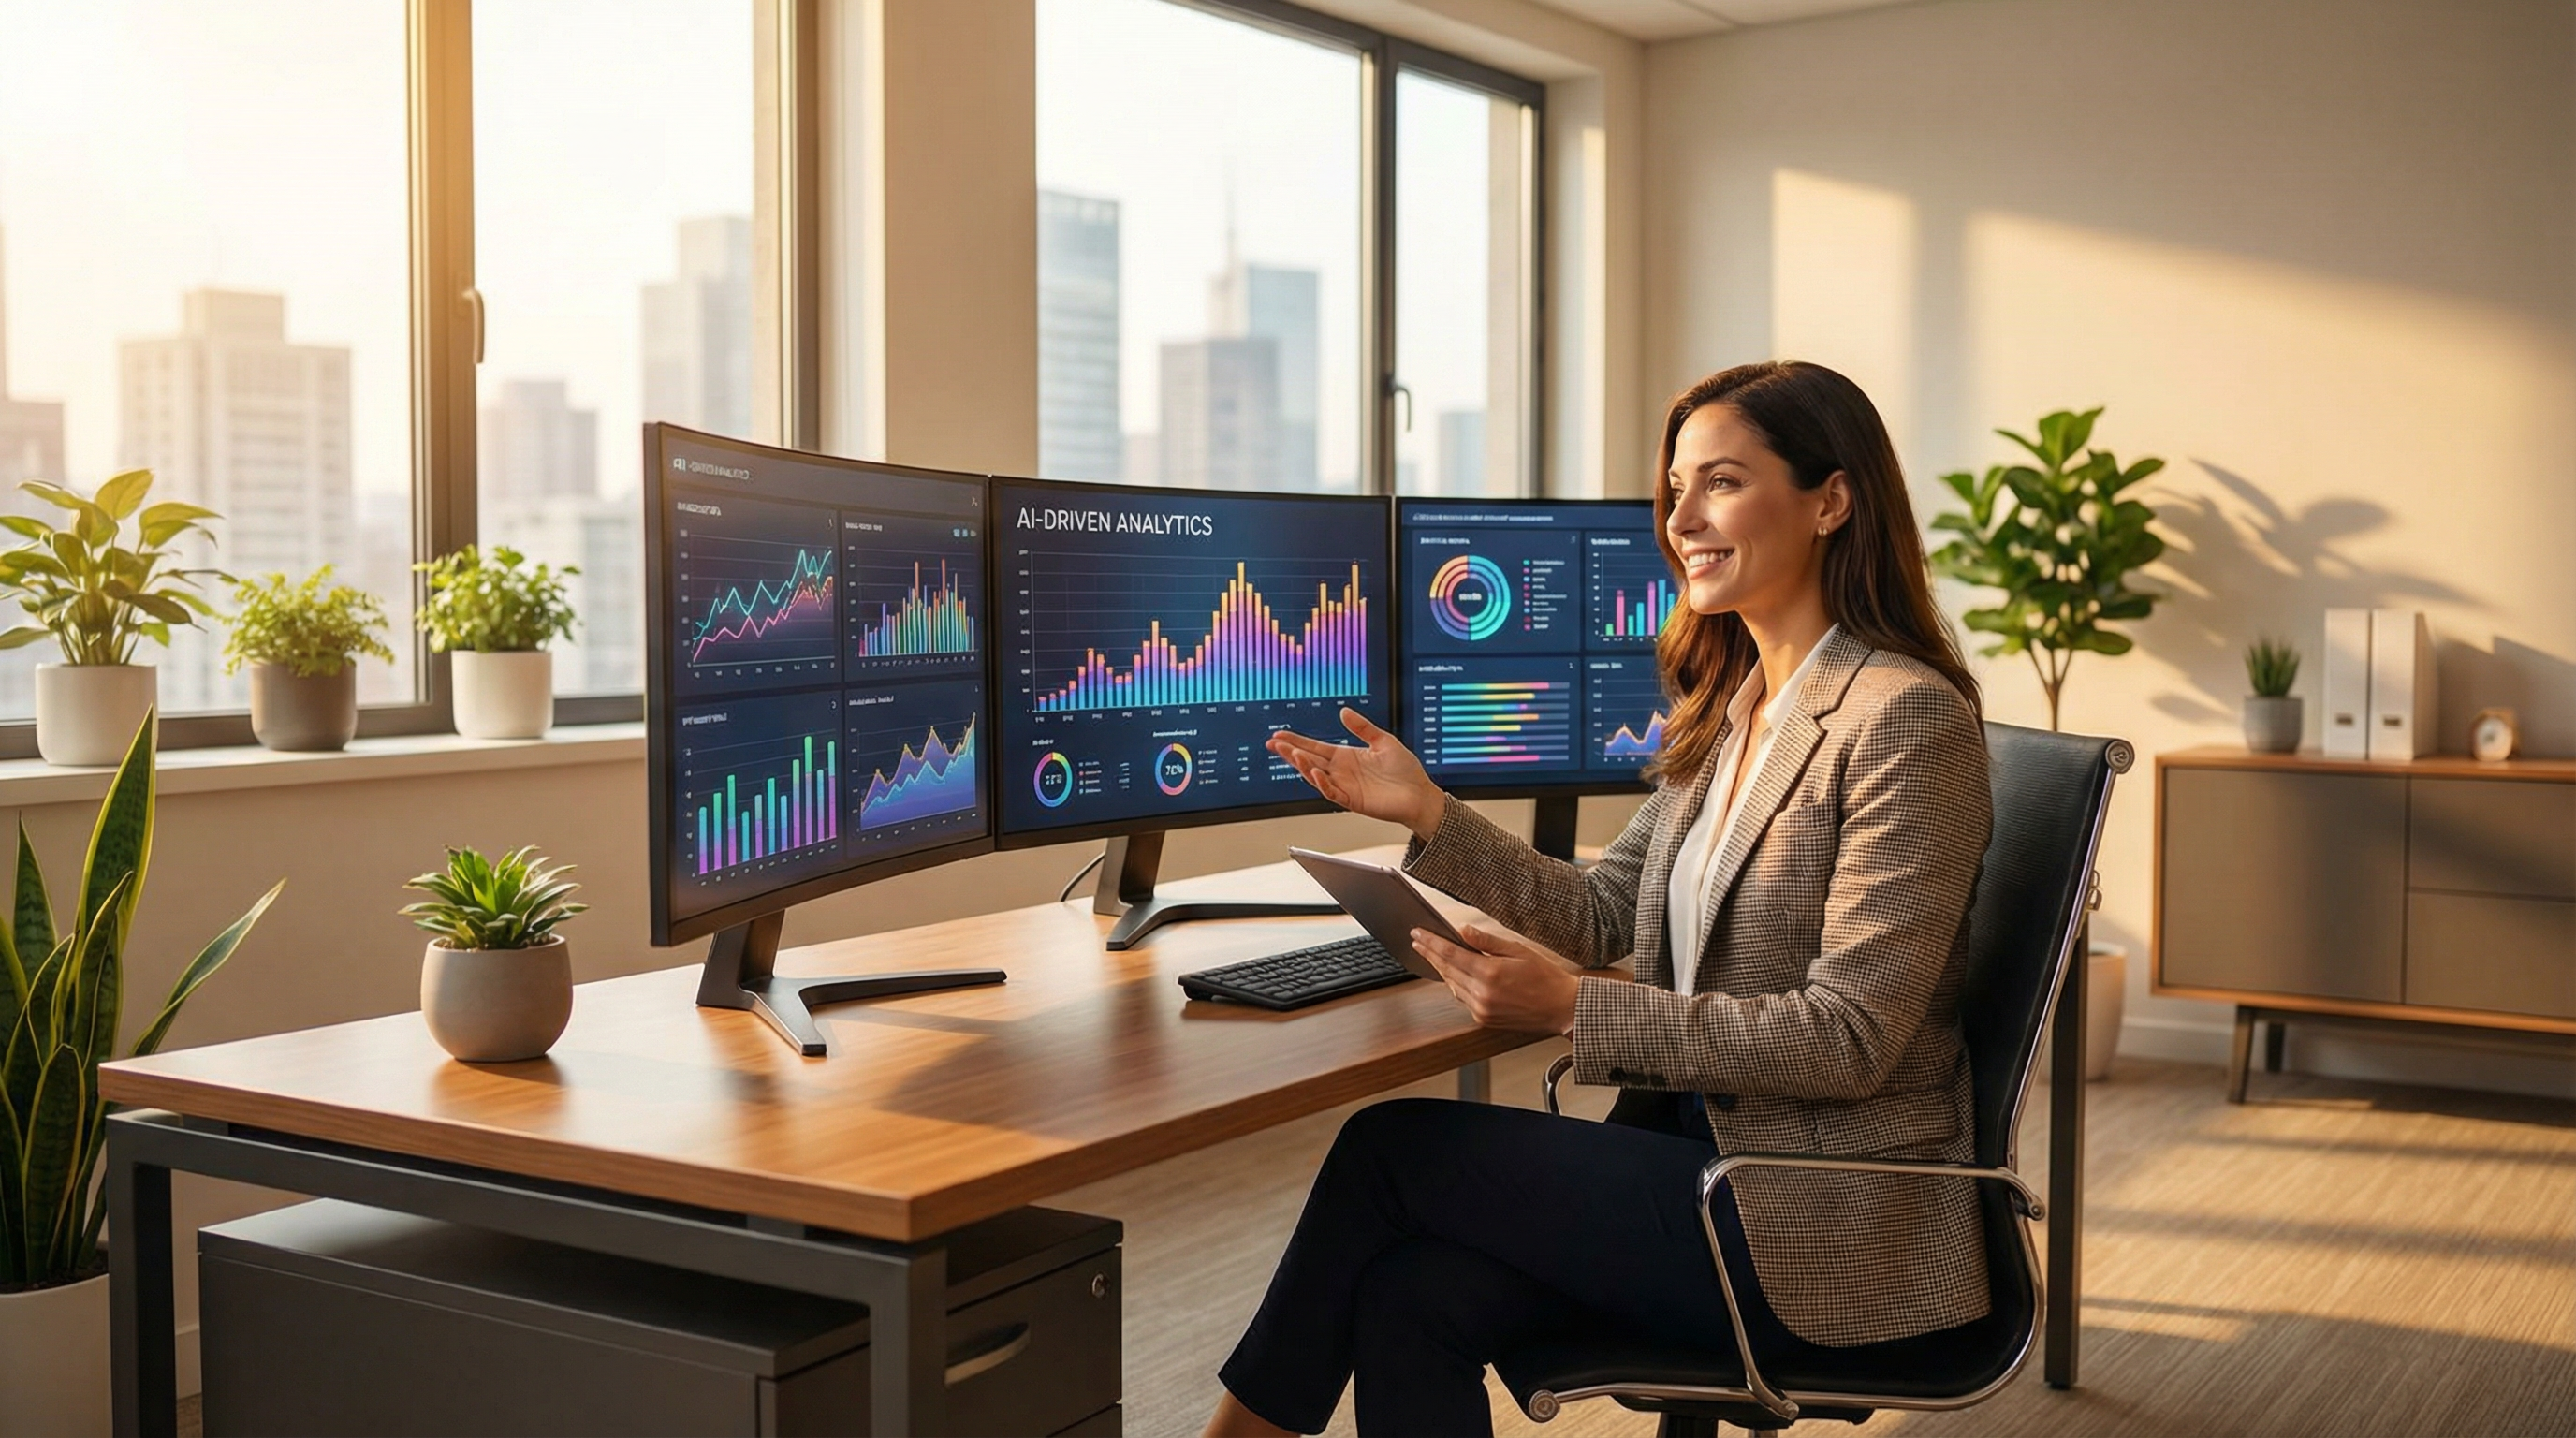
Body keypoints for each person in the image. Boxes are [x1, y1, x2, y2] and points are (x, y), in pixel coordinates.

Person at [1203, 360, 1997, 1437]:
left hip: (1813, 1218)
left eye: (1719, 482)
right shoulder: (1739, 708)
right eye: (1673, 490)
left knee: (1390, 1150)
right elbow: (1603, 913)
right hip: (1700, 1158)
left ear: (1831, 500)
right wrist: (1429, 815)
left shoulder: (1902, 720)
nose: (1681, 520)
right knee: (1408, 1295)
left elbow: (1848, 1039)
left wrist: (1571, 1011)